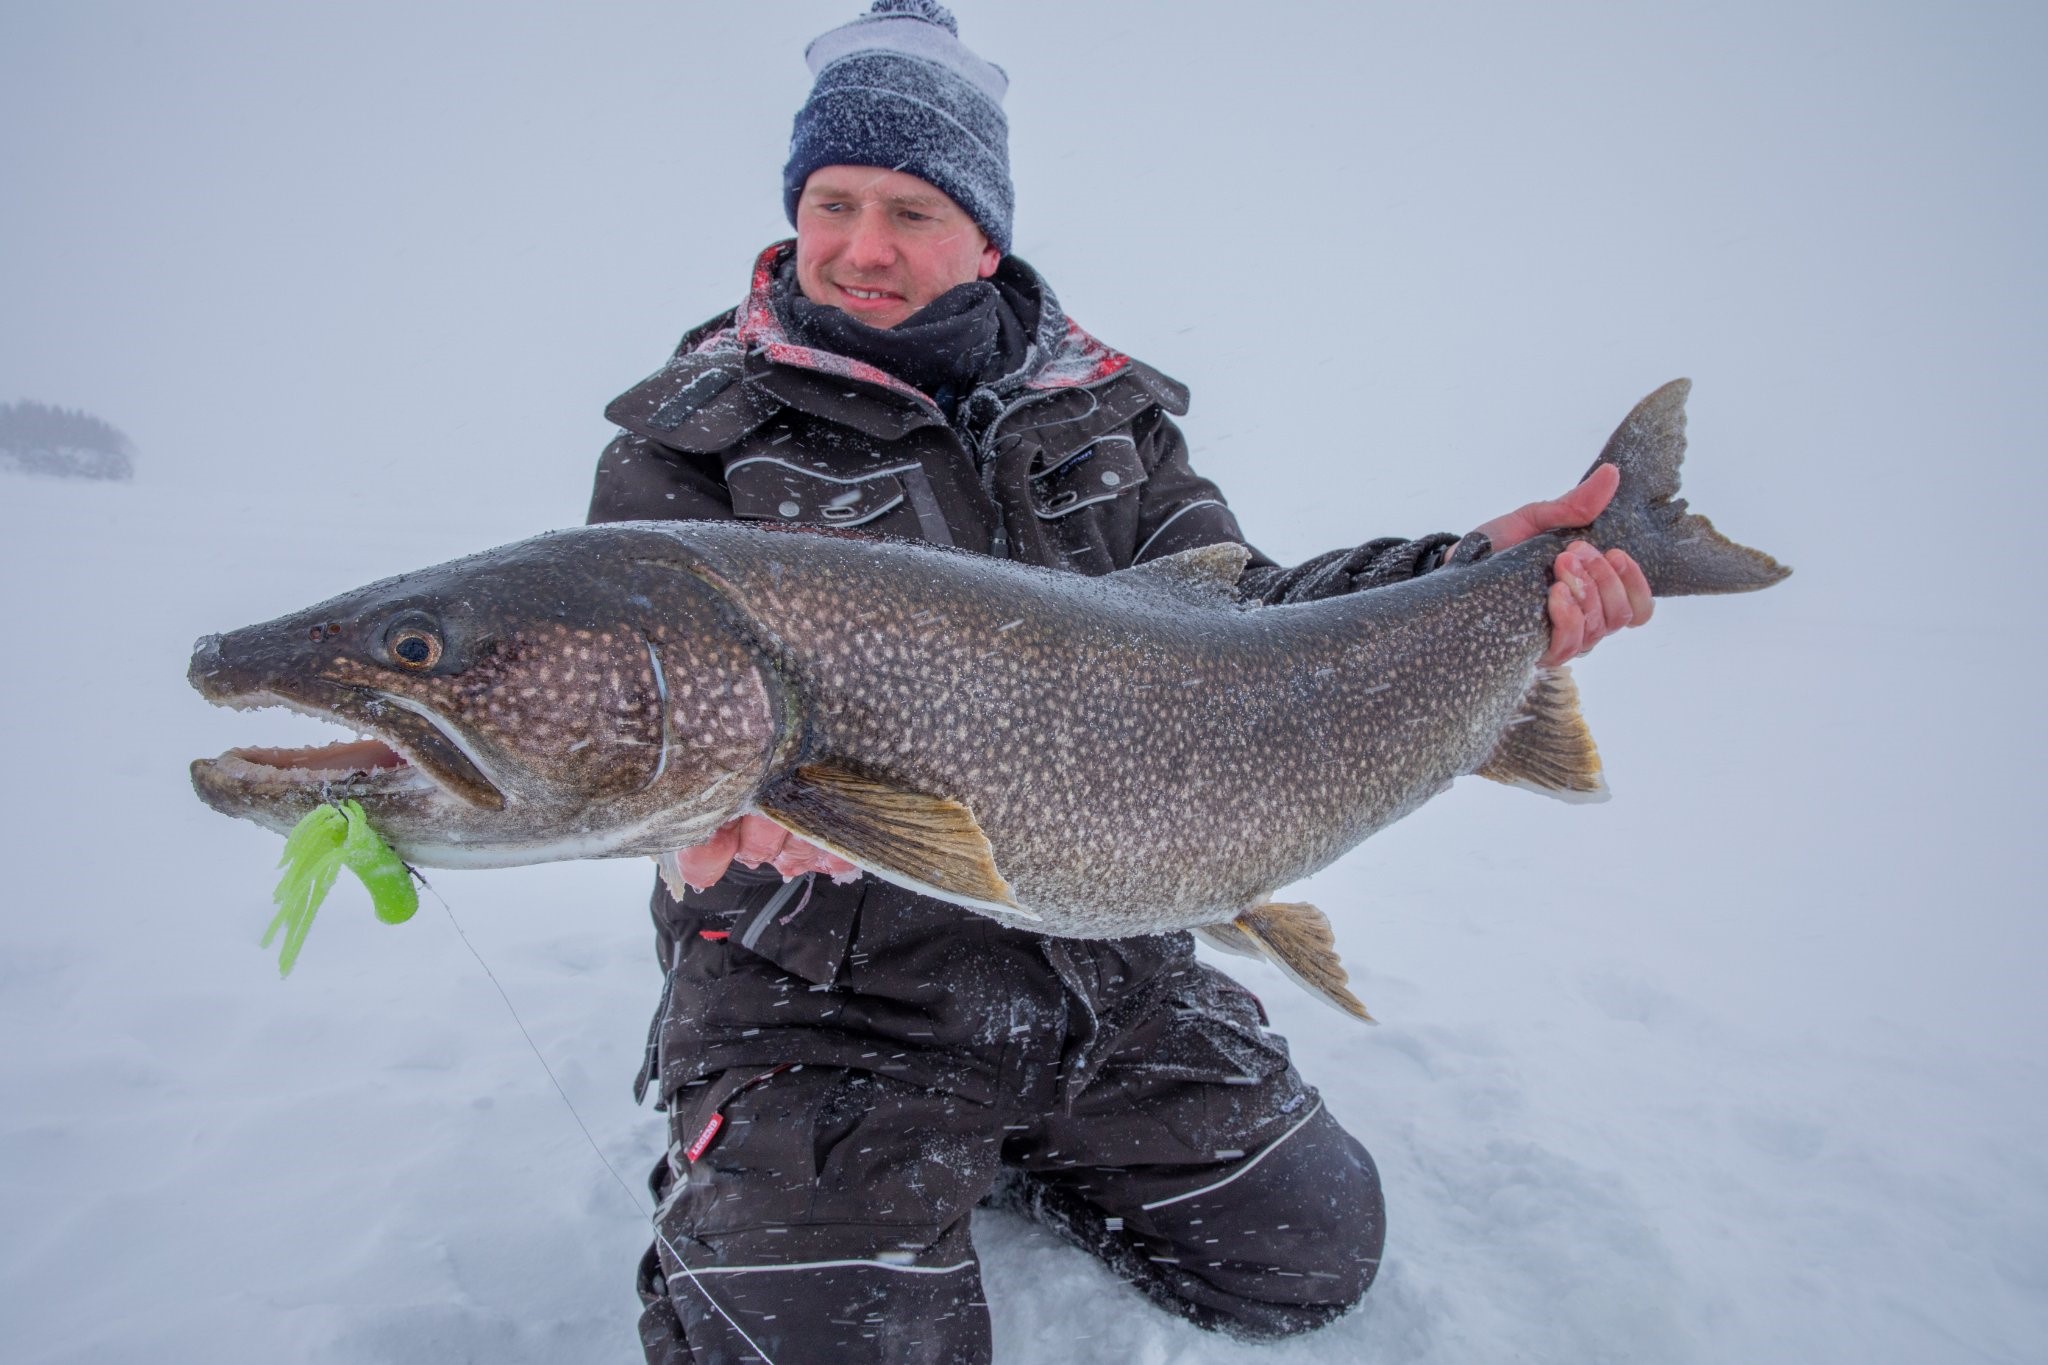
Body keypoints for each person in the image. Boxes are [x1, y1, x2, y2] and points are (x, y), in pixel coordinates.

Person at [586, 4, 1652, 1361]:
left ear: (986, 229)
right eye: (832, 202)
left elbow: (1244, 612)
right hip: (826, 1003)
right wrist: (696, 825)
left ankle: (1021, 1141)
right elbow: (619, 730)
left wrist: (1469, 571)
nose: (862, 247)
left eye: (911, 208)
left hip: (1104, 964)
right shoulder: (690, 445)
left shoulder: (1106, 413)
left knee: (1314, 1252)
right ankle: (796, 1171)